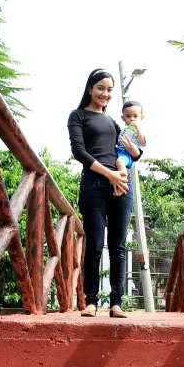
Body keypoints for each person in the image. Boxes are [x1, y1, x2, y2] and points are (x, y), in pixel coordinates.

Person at [68, 69, 142, 318]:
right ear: (90, 88)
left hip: (121, 186)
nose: (105, 93)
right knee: (95, 245)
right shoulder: (78, 116)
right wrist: (109, 175)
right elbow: (79, 151)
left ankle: (116, 303)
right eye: (101, 88)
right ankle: (90, 302)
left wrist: (134, 156)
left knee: (118, 246)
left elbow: (129, 150)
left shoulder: (113, 122)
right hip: (94, 185)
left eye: (110, 90)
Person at [116, 100, 146, 173]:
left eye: (135, 116)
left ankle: (123, 180)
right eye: (128, 116)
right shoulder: (122, 130)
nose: (132, 119)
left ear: (141, 118)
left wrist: (137, 127)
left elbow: (142, 142)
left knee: (120, 162)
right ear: (123, 118)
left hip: (127, 155)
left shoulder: (139, 131)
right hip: (118, 151)